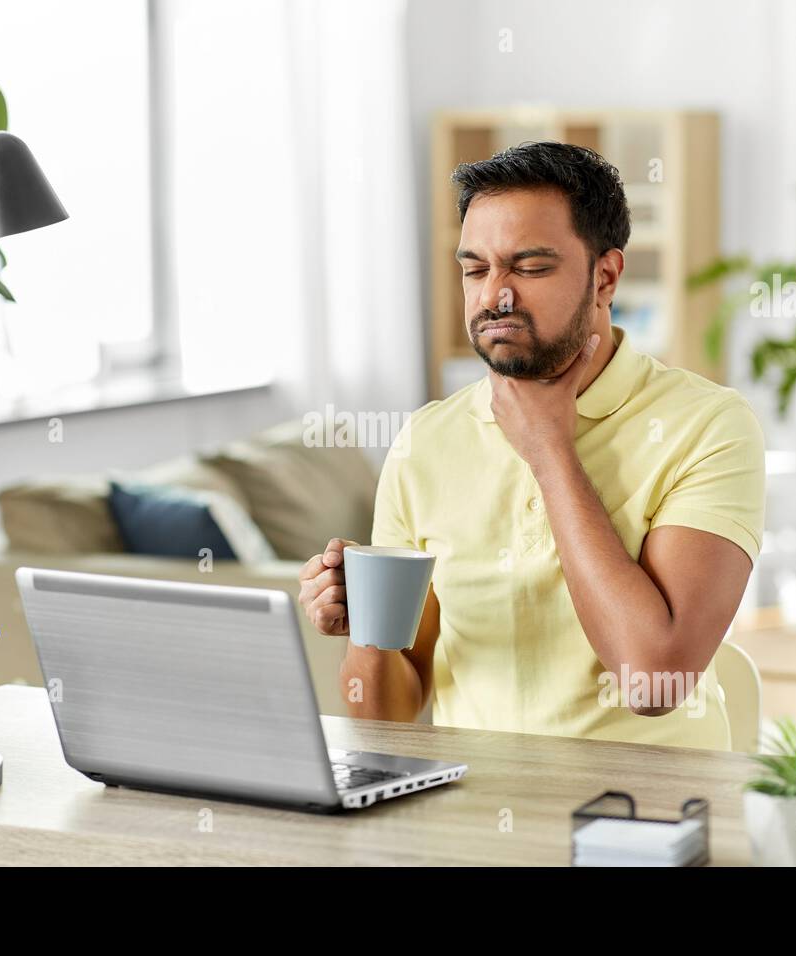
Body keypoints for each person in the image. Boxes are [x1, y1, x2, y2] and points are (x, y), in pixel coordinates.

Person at [298, 142, 765, 749]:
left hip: (644, 818)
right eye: (475, 269)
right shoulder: (426, 440)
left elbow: (653, 681)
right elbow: (385, 715)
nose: (495, 295)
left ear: (606, 275)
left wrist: (550, 450)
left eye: (530, 267)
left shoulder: (707, 426)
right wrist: (368, 624)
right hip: (469, 813)